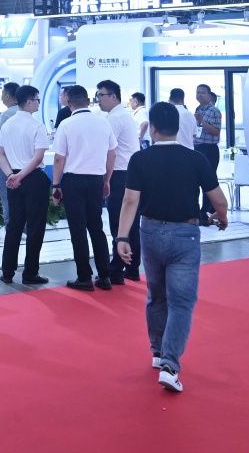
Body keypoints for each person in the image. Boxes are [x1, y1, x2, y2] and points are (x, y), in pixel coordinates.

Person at [116, 101, 229, 394]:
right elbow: (218, 199)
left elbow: (130, 201)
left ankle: (157, 352)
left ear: (152, 128)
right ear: (178, 129)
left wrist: (122, 238)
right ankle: (169, 364)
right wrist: (222, 216)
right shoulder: (196, 159)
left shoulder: (139, 159)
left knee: (156, 295)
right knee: (181, 302)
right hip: (185, 235)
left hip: (150, 232)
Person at [51, 84, 115, 292]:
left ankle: (84, 277)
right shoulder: (103, 123)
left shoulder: (66, 124)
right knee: (96, 227)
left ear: (68, 102)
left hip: (73, 181)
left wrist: (56, 184)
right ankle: (105, 276)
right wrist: (106, 180)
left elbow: (59, 158)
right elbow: (112, 154)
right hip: (96, 180)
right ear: (88, 101)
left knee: (78, 229)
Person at [0, 83, 50, 286]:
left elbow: (0, 153)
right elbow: (38, 157)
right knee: (35, 227)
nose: (38, 103)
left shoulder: (7, 124)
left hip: (14, 180)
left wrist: (12, 175)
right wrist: (20, 176)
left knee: (14, 225)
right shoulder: (37, 126)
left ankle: (7, 272)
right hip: (33, 178)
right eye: (37, 100)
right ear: (28, 102)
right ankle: (30, 273)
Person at [99, 80, 140, 284]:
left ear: (113, 96)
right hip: (130, 173)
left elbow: (110, 152)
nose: (98, 100)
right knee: (132, 224)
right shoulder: (124, 115)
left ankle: (115, 270)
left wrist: (105, 179)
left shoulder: (114, 118)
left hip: (119, 174)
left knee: (119, 223)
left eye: (101, 95)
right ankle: (132, 268)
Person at [192, 85, 223, 225]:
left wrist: (202, 122)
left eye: (202, 93)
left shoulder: (214, 110)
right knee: (196, 180)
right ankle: (199, 211)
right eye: (197, 92)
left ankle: (206, 212)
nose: (199, 95)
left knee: (207, 181)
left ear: (209, 95)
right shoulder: (198, 109)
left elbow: (216, 131)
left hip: (209, 149)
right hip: (197, 148)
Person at [0, 82, 20, 227]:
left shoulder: (6, 114)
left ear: (7, 96)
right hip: (21, 165)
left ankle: (10, 230)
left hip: (6, 166)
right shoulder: (25, 112)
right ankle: (21, 230)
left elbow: (0, 141)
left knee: (6, 197)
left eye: (2, 94)